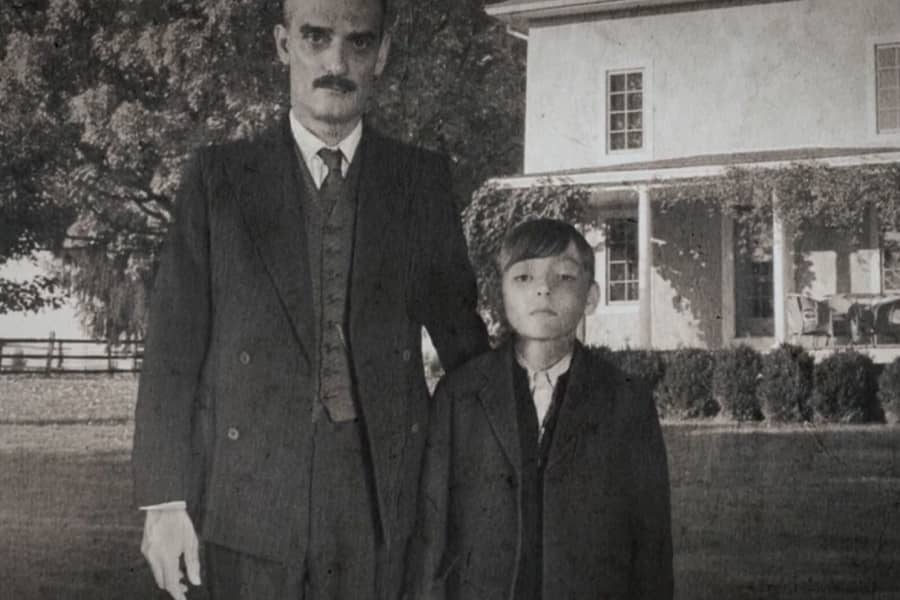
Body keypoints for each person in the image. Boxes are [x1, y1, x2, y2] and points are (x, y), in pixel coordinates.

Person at [131, 0, 489, 597]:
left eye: (358, 43)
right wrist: (164, 502)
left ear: (383, 54)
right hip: (248, 500)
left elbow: (463, 342)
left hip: (383, 502)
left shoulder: (418, 180)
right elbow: (171, 352)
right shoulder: (218, 179)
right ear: (282, 43)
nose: (336, 62)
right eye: (316, 39)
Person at [411, 218, 673, 599]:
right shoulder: (459, 395)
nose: (543, 290)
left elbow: (652, 548)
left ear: (592, 295)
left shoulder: (626, 401)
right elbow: (431, 536)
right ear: (500, 292)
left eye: (564, 277)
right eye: (523, 278)